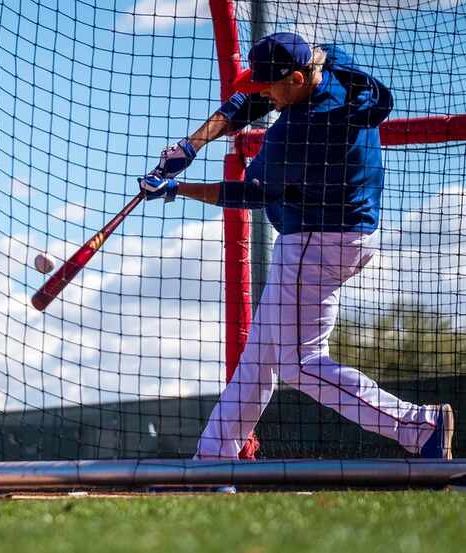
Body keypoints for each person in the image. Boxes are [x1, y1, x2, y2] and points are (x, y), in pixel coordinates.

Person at [139, 32, 455, 460]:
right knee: (260, 357)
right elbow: (249, 102)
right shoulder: (335, 68)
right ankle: (214, 461)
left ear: (298, 78)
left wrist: (178, 189)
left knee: (300, 363)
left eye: (273, 84)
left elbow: (250, 194)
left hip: (315, 243)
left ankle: (418, 426)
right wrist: (192, 144)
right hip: (344, 234)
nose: (266, 92)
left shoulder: (299, 131)